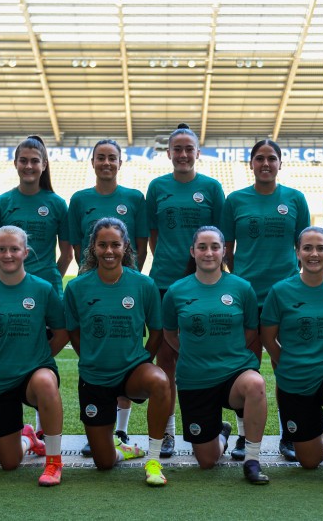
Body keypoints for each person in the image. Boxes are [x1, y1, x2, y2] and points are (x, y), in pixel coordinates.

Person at [63, 217, 172, 486]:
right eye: (102, 245)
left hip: (132, 371)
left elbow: (156, 331)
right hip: (95, 376)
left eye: (115, 244)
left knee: (159, 380)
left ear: (126, 248)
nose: (109, 251)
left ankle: (154, 459)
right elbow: (74, 331)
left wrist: (142, 361)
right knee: (103, 464)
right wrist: (91, 357)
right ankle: (121, 448)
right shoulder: (77, 287)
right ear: (93, 247)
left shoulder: (143, 285)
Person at [221, 138, 310, 461]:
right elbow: (225, 248)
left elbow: (304, 247)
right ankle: (245, 436)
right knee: (246, 365)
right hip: (246, 295)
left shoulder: (295, 199)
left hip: (285, 296)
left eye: (271, 158)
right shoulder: (235, 200)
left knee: (286, 364)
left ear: (280, 163)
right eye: (260, 158)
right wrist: (240, 278)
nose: (266, 163)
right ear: (251, 164)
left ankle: (290, 432)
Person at [162, 226, 270, 484]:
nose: (208, 252)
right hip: (195, 379)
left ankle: (252, 460)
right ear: (193, 251)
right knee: (207, 461)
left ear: (224, 251)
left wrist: (226, 351)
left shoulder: (242, 288)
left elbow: (250, 330)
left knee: (255, 383)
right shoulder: (176, 291)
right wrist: (193, 351)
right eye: (202, 247)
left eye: (214, 247)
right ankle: (221, 433)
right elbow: (169, 334)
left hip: (233, 374)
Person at [0, 226, 67, 486]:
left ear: (25, 252)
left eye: (14, 249)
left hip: (34, 373)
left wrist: (40, 356)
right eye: (1, 249)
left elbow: (61, 332)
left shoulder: (42, 289)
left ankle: (53, 461)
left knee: (45, 381)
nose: (7, 254)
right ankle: (27, 439)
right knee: (9, 464)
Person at [147, 123, 226, 458]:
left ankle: (213, 424)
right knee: (166, 358)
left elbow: (220, 236)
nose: (182, 154)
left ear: (198, 152)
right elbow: (152, 235)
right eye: (176, 149)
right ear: (169, 153)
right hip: (165, 280)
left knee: (207, 353)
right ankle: (167, 432)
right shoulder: (157, 187)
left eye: (188, 149)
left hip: (206, 280)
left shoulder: (211, 187)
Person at [261, 227, 323, 484]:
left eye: (320, 248)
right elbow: (267, 336)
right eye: (307, 248)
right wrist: (284, 361)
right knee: (309, 461)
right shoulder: (281, 291)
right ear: (297, 252)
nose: (313, 253)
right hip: (295, 378)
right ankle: (317, 429)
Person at [67, 139, 150, 452]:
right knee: (100, 348)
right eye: (100, 157)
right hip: (92, 283)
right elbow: (77, 245)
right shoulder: (79, 199)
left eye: (111, 158)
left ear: (120, 162)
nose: (106, 163)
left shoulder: (133, 197)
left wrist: (128, 282)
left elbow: (139, 244)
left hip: (126, 286)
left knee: (125, 348)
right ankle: (103, 429)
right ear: (92, 162)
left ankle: (121, 431)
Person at [0, 135, 73, 298]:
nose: (28, 166)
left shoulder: (57, 204)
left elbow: (67, 255)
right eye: (23, 160)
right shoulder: (1, 203)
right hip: (11, 286)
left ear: (44, 164)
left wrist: (48, 280)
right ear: (15, 163)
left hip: (49, 288)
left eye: (35, 161)